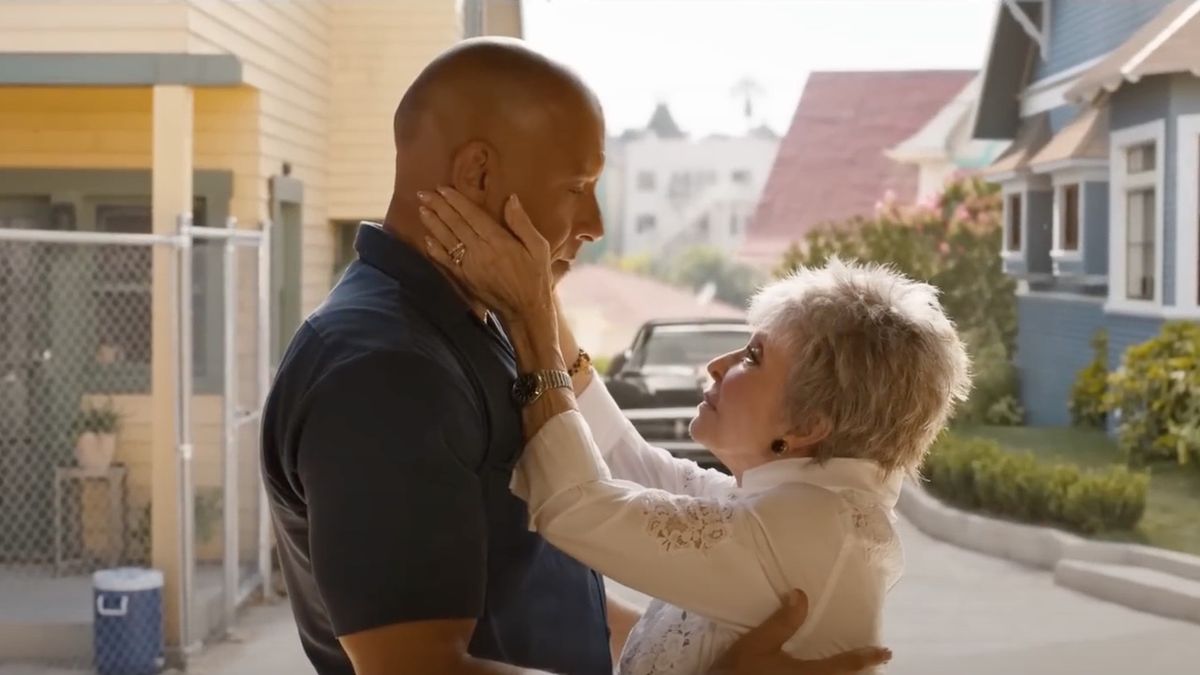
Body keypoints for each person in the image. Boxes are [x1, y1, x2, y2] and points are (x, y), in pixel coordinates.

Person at [261, 37, 891, 675]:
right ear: (477, 175)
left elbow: (543, 583)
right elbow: (417, 668)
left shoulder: (481, 325)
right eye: (577, 186)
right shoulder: (384, 371)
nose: (595, 223)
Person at [416, 188, 971, 674]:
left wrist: (529, 313)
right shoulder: (796, 507)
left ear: (809, 423)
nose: (717, 365)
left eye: (753, 357)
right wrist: (542, 291)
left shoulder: (807, 527)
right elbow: (624, 461)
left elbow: (578, 507)